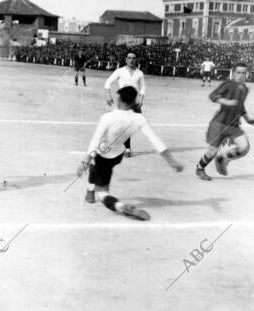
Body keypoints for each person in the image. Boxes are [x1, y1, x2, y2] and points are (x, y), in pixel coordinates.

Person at [78, 86, 183, 220]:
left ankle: (119, 206)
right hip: (117, 155)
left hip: (103, 155)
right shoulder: (139, 118)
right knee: (100, 172)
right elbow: (155, 140)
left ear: (119, 99)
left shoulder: (108, 117)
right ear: (133, 101)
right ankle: (90, 191)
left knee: (102, 193)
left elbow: (95, 140)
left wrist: (85, 161)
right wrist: (172, 161)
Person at [195, 62, 254, 181]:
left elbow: (240, 106)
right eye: (238, 72)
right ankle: (200, 168)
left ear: (246, 74)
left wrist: (248, 118)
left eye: (244, 73)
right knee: (212, 151)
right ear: (233, 73)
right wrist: (226, 102)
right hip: (219, 124)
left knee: (244, 148)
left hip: (234, 125)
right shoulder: (228, 84)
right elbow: (212, 96)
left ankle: (223, 159)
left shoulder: (245, 89)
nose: (241, 75)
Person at [104, 52, 146, 157]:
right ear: (126, 59)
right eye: (129, 58)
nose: (131, 60)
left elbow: (142, 88)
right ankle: (127, 149)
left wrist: (141, 99)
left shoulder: (139, 73)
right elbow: (107, 83)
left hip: (135, 103)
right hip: (123, 103)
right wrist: (109, 96)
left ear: (136, 60)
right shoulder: (120, 71)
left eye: (133, 58)